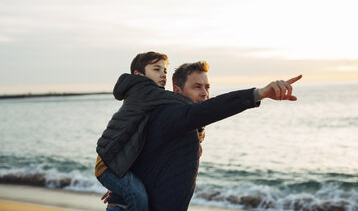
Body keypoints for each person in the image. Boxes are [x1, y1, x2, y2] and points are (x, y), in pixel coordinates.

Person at [105, 60, 302, 210]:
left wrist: (123, 184)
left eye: (207, 87)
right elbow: (213, 108)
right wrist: (259, 93)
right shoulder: (171, 114)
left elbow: (145, 152)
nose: (205, 94)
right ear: (177, 90)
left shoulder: (186, 123)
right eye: (197, 87)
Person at [95, 52, 193, 211]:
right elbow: (181, 102)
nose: (163, 74)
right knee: (138, 196)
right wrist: (198, 118)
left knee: (137, 194)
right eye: (156, 69)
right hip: (107, 165)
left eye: (165, 71)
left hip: (113, 162)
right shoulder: (144, 90)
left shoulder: (146, 95)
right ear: (138, 74)